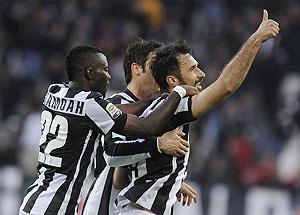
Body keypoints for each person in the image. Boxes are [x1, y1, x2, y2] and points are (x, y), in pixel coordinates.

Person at [106, 10, 280, 215]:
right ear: (173, 81)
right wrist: (256, 39)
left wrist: (171, 179)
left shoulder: (152, 108)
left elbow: (119, 179)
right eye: (193, 69)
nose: (202, 74)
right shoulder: (174, 105)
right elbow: (226, 86)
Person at [18, 45, 199, 215]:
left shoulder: (54, 91)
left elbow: (108, 110)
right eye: (104, 70)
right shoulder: (91, 105)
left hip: (34, 201)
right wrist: (177, 94)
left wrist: (153, 102)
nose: (109, 76)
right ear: (90, 73)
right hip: (57, 207)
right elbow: (147, 127)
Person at [82, 38, 194, 215]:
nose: (160, 70)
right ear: (136, 69)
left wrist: (172, 180)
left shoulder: (159, 110)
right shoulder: (114, 105)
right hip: (104, 206)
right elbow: (117, 173)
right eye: (154, 64)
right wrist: (158, 145)